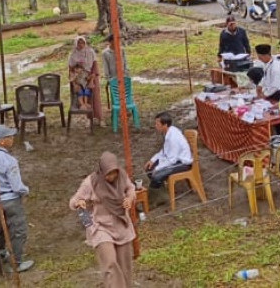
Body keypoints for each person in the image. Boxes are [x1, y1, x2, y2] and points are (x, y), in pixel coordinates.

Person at [70, 152, 136, 288]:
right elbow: (74, 200)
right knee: (110, 262)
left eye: (113, 173)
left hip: (121, 223)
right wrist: (80, 202)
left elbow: (131, 189)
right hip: (100, 226)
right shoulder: (92, 182)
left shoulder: (122, 176)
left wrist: (129, 199)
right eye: (108, 173)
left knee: (125, 265)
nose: (111, 177)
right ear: (101, 171)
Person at [0, 125, 34, 273]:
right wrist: (25, 190)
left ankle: (0, 253)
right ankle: (15, 262)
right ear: (2, 141)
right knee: (18, 230)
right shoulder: (9, 160)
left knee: (1, 229)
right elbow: (17, 186)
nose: (12, 139)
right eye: (9, 137)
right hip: (10, 199)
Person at [143, 112, 193, 189]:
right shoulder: (168, 131)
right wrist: (152, 160)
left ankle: (159, 197)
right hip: (174, 159)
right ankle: (160, 190)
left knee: (156, 175)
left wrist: (158, 168)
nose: (156, 126)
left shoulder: (173, 137)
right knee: (149, 168)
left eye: (158, 124)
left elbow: (172, 160)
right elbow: (164, 151)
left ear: (165, 125)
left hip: (183, 163)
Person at [69, 36, 102, 121]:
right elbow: (71, 70)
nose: (81, 45)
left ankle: (99, 118)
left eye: (82, 42)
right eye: (79, 43)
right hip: (78, 79)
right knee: (81, 94)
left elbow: (95, 66)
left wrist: (92, 79)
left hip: (91, 76)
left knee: (95, 98)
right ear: (75, 44)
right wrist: (75, 84)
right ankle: (89, 119)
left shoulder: (90, 52)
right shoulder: (73, 54)